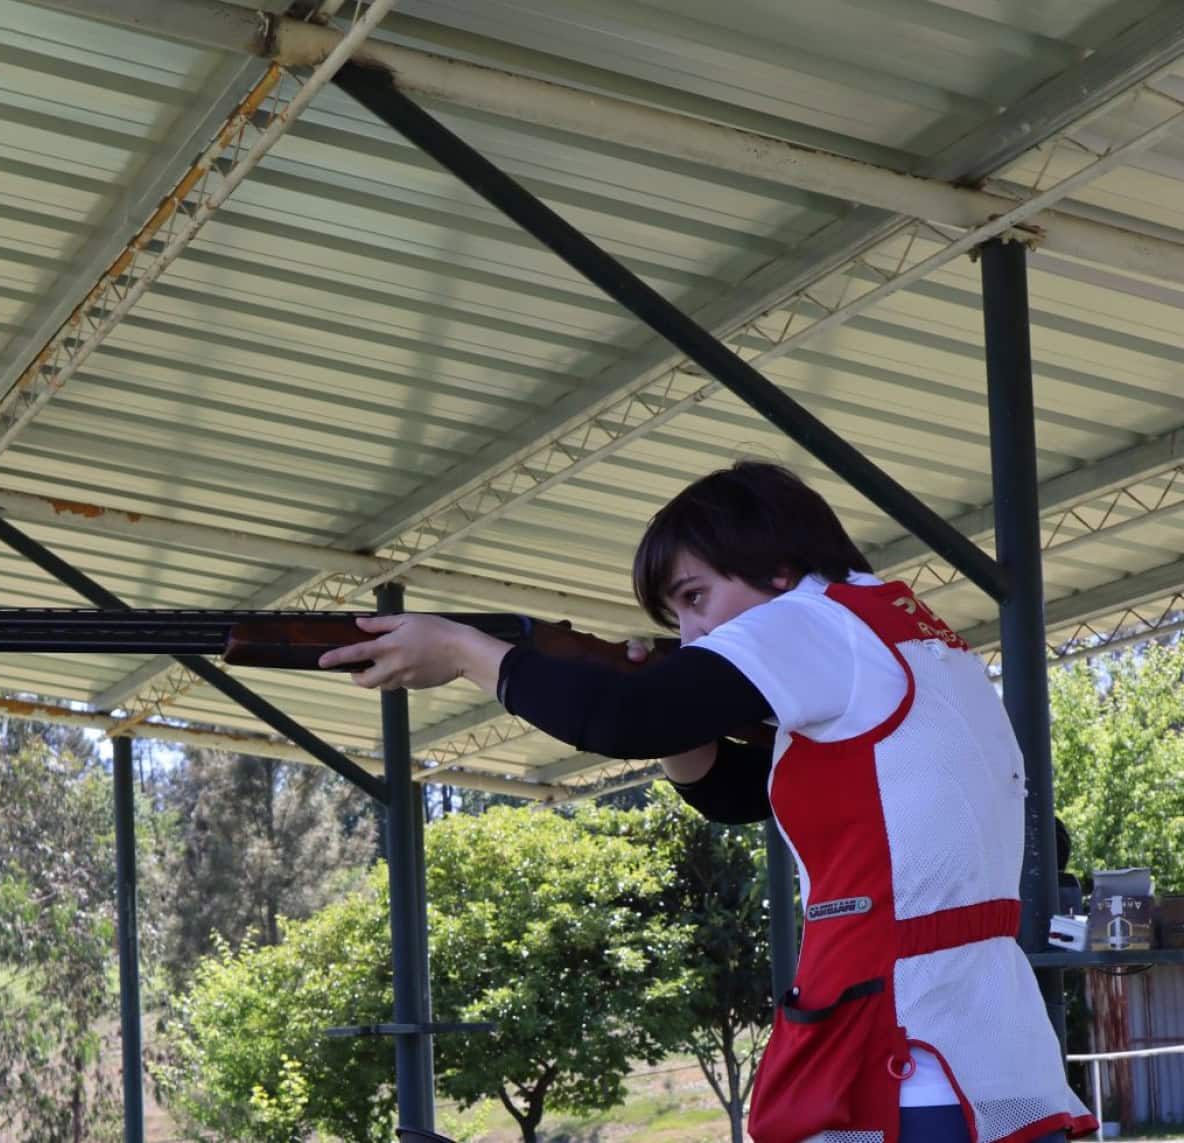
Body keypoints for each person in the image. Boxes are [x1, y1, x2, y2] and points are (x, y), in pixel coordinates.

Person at [320, 461, 1095, 1143]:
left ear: (777, 567)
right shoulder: (897, 630)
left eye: (696, 596)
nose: (691, 636)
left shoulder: (812, 622)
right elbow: (743, 792)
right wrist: (670, 718)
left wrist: (460, 650)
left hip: (905, 1059)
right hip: (984, 1053)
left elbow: (621, 720)